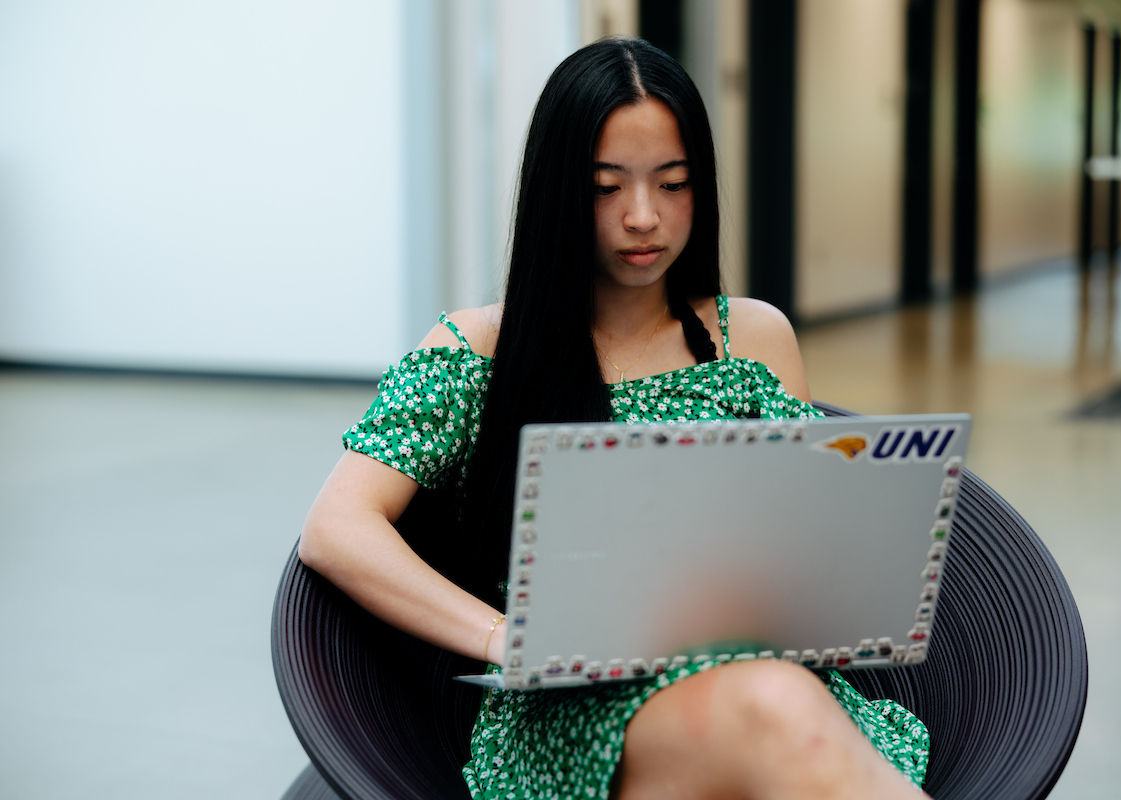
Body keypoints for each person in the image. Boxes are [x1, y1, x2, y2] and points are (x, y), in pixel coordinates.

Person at [299, 37, 929, 800]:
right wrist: (508, 639)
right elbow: (336, 529)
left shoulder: (754, 338)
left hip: (761, 675)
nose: (643, 217)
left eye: (673, 184)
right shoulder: (480, 350)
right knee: (776, 712)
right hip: (580, 712)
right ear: (558, 190)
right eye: (606, 187)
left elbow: (798, 543)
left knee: (776, 705)